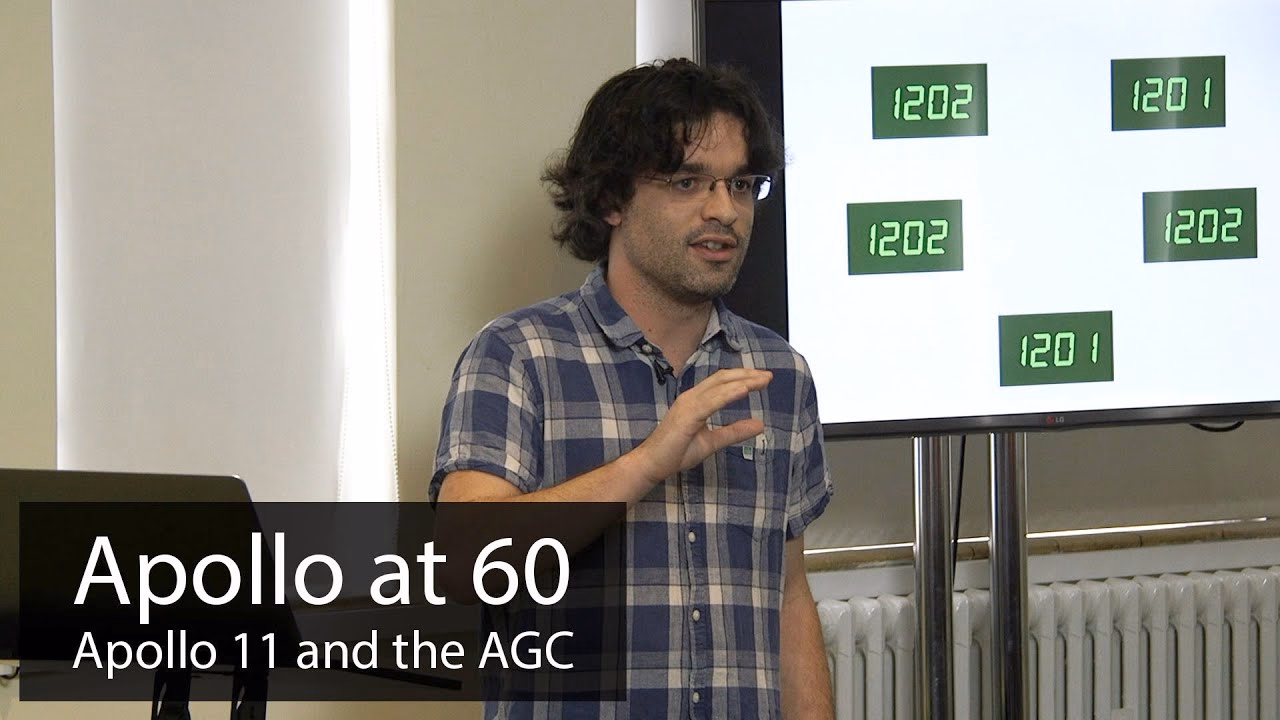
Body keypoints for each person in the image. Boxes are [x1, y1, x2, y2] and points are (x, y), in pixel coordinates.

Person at [432, 58, 834, 719]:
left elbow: (788, 594)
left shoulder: (779, 373)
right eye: (688, 182)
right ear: (611, 199)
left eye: (740, 184)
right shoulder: (518, 354)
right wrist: (646, 463)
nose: (724, 210)